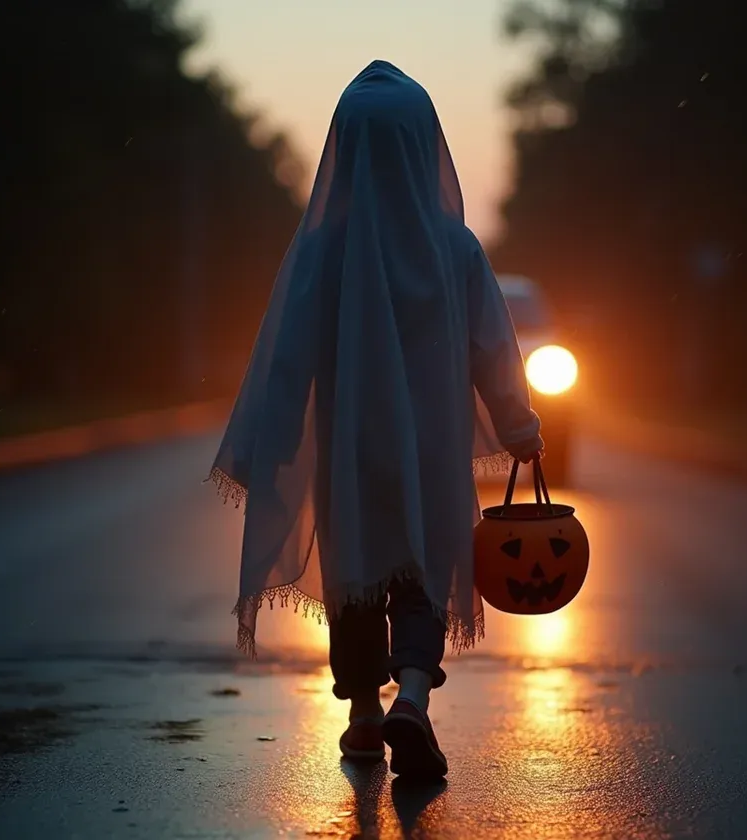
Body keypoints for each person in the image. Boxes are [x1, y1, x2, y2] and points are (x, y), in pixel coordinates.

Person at [209, 60, 543, 780]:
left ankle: (363, 715)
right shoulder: (455, 248)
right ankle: (414, 698)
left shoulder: (322, 251)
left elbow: (288, 354)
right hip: (433, 448)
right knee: (422, 568)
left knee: (356, 573)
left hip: (352, 446)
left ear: (345, 149)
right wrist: (518, 426)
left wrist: (272, 441)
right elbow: (494, 348)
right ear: (427, 146)